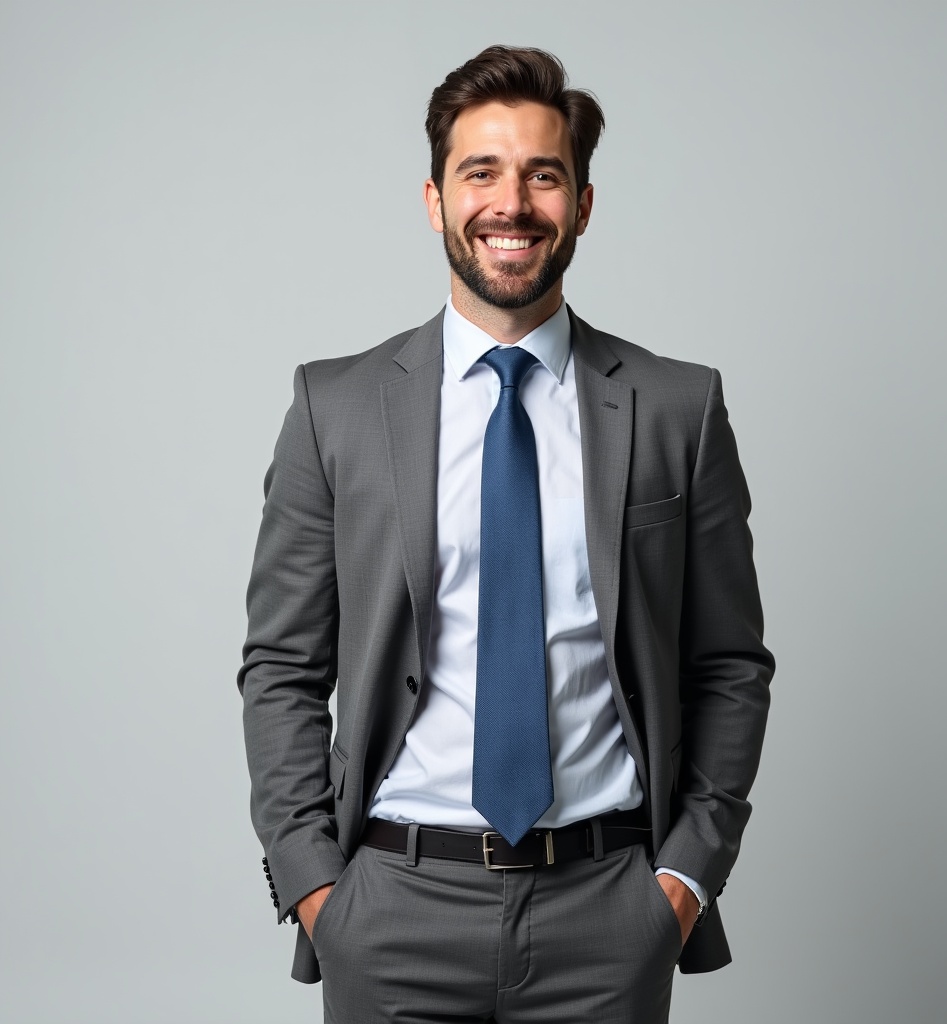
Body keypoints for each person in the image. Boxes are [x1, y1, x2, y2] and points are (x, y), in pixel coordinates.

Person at [238, 44, 774, 1024]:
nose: (511, 202)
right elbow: (279, 664)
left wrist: (684, 877)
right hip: (391, 906)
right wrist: (318, 887)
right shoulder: (338, 407)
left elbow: (730, 663)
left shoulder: (673, 409)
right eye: (479, 171)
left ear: (582, 201)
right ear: (435, 199)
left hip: (608, 910)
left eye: (543, 173)